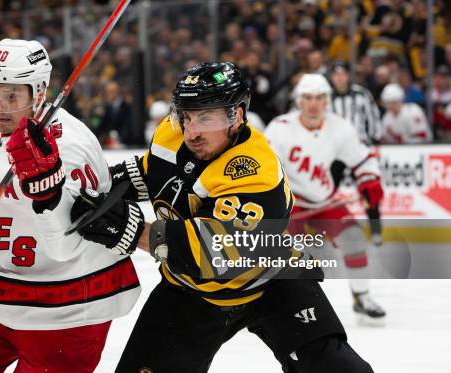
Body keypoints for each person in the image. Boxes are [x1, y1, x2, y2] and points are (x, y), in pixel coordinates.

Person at [71, 62, 373, 372]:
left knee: (338, 368)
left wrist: (131, 230)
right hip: (190, 292)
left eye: (205, 117)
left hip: (270, 281)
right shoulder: (171, 131)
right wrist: (94, 183)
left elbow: (214, 253)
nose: (191, 131)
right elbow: (152, 173)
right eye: (186, 115)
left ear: (236, 116)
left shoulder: (255, 169)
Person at [0, 39, 140, 373]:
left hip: (71, 306)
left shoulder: (72, 146)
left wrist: (48, 195)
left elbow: (67, 247)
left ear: (37, 93)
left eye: (11, 96)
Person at [266, 74, 387, 324]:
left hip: (325, 200)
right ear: (299, 101)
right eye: (308, 98)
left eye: (319, 98)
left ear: (327, 100)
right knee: (283, 256)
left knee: (354, 239)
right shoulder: (279, 128)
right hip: (291, 202)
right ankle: (263, 303)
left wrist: (369, 180)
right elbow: (266, 168)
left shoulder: (340, 127)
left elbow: (363, 158)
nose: (313, 103)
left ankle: (362, 297)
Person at [328, 61, 385, 246]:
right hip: (335, 151)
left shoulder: (361, 94)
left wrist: (374, 141)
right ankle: (329, 231)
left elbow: (373, 117)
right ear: (332, 78)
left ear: (348, 76)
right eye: (336, 75)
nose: (339, 78)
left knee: (369, 188)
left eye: (343, 74)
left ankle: (376, 231)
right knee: (327, 192)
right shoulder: (326, 98)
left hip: (358, 149)